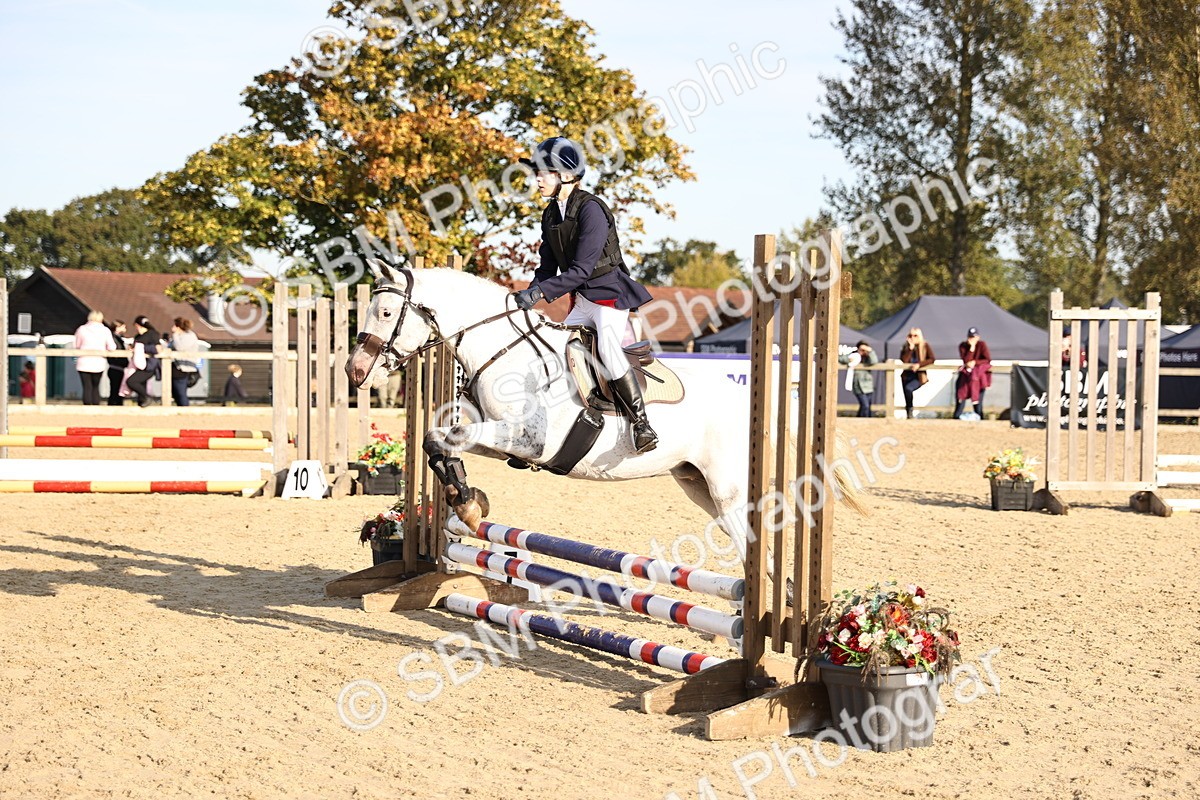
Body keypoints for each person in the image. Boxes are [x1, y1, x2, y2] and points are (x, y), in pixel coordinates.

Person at [511, 137, 658, 453]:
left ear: (565, 175)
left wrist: (539, 293)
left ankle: (641, 424)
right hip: (582, 301)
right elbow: (547, 267)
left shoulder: (592, 210)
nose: (537, 180)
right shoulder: (551, 214)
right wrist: (527, 295)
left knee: (608, 348)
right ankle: (538, 428)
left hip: (608, 297)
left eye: (543, 173)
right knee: (553, 349)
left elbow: (580, 270)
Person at [73, 310, 115, 405]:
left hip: (84, 362)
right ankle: (96, 406)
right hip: (98, 362)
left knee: (86, 387)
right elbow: (112, 347)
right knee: (96, 386)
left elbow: (76, 345)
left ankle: (87, 407)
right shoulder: (105, 330)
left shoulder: (82, 329)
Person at [954, 327, 992, 419]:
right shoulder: (963, 346)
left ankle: (979, 418)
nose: (972, 339)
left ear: (978, 337)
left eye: (973, 337)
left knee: (977, 402)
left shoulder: (982, 345)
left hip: (978, 378)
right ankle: (956, 418)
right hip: (965, 377)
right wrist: (971, 349)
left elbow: (987, 360)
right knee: (960, 399)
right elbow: (966, 360)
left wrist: (975, 362)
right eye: (970, 337)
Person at [898, 327, 934, 419]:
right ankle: (909, 413)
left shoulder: (924, 345)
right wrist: (910, 349)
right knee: (907, 394)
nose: (912, 338)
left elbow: (932, 359)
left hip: (919, 376)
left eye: (915, 335)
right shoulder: (905, 347)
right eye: (910, 335)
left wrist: (919, 365)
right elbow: (904, 361)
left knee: (908, 388)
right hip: (907, 375)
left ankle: (910, 411)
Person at [125, 315, 161, 408]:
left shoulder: (152, 334)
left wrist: (140, 348)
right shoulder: (139, 336)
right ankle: (142, 402)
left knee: (131, 381)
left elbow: (158, 349)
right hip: (139, 363)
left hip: (149, 365)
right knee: (141, 383)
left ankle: (147, 397)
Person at [168, 317, 202, 406]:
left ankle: (185, 409)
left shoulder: (189, 336)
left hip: (185, 368)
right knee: (175, 392)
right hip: (176, 367)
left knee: (181, 392)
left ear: (178, 327)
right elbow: (169, 347)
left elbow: (180, 347)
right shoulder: (178, 337)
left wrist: (175, 335)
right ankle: (180, 407)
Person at [840, 341, 878, 417]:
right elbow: (841, 359)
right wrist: (850, 359)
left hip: (868, 385)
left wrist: (869, 351)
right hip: (858, 385)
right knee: (865, 405)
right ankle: (863, 420)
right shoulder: (853, 355)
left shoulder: (868, 357)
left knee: (867, 406)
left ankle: (862, 419)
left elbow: (874, 361)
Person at [106, 321, 129, 405]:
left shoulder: (118, 338)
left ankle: (116, 404)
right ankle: (114, 405)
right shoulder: (114, 339)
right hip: (116, 367)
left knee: (117, 389)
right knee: (115, 390)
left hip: (118, 367)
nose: (125, 329)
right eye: (123, 327)